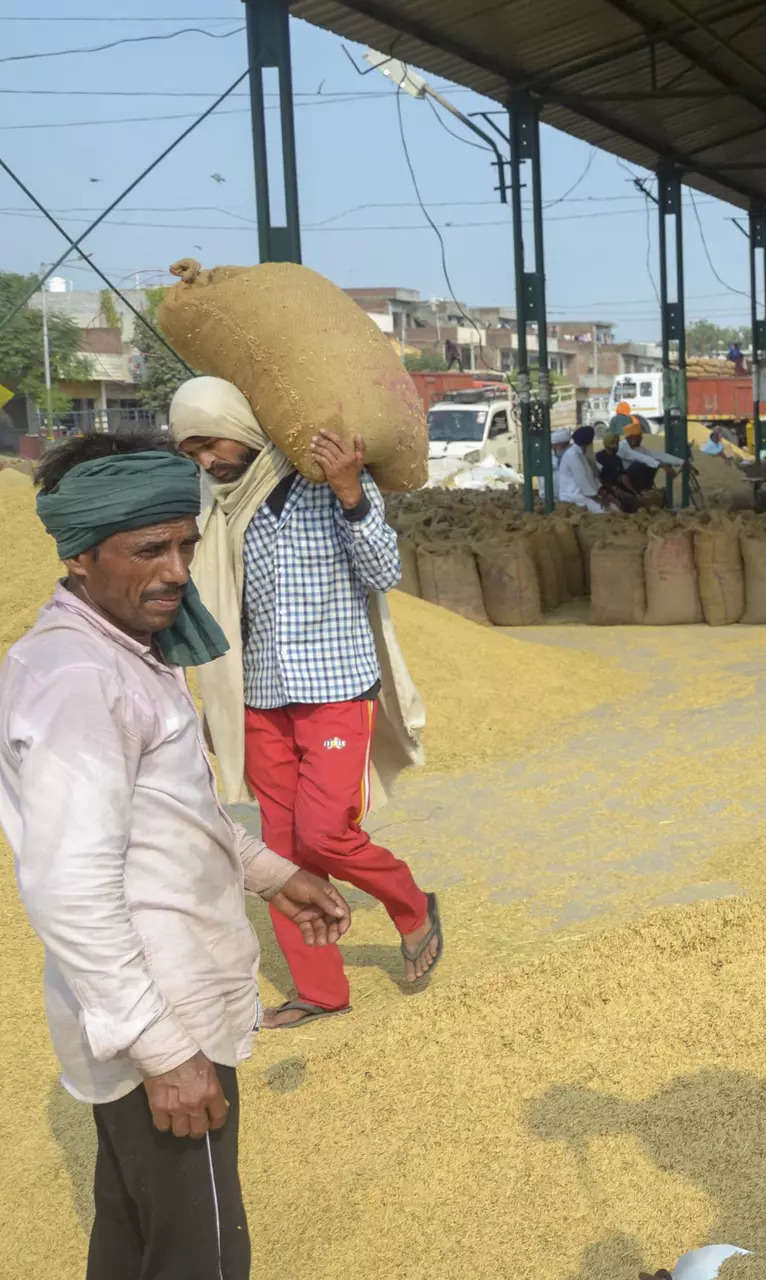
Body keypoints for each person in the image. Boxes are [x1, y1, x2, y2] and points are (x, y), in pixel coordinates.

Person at [6, 435, 351, 1279]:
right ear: (81, 553)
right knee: (201, 1258)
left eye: (186, 545)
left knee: (137, 1243)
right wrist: (164, 1051)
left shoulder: (130, 652)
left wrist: (271, 873)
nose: (174, 571)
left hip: (172, 998)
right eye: (147, 549)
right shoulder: (78, 679)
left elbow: (170, 818)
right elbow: (70, 889)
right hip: (161, 1013)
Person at [170, 378, 443, 1028]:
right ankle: (320, 989)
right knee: (282, 851)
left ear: (240, 423)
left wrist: (350, 493)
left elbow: (384, 574)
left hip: (334, 691)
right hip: (259, 698)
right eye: (193, 451)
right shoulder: (221, 511)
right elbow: (220, 611)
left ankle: (411, 904)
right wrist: (218, 703)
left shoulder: (328, 483)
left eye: (212, 442)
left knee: (324, 835)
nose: (208, 460)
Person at [554, 425, 608, 512]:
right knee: (606, 510)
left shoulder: (580, 453)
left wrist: (601, 492)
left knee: (612, 507)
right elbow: (582, 481)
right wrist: (597, 498)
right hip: (573, 497)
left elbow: (590, 476)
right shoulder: (573, 455)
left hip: (584, 495)